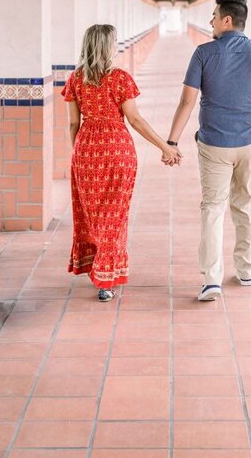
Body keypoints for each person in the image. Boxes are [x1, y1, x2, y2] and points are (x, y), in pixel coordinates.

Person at [165, 0, 251, 301]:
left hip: (214, 144)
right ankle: (246, 269)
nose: (211, 21)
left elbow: (187, 101)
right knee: (245, 203)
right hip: (250, 142)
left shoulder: (204, 53)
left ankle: (212, 279)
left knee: (213, 208)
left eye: (214, 16)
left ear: (227, 20)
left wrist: (172, 142)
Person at [64, 24, 180, 301]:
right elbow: (135, 120)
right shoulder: (120, 79)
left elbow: (72, 123)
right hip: (118, 151)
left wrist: (79, 152)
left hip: (86, 150)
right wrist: (165, 147)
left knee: (91, 214)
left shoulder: (76, 79)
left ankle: (97, 269)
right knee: (114, 216)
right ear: (107, 47)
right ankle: (106, 279)